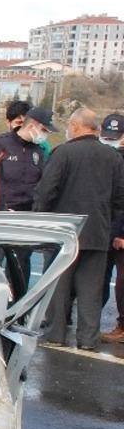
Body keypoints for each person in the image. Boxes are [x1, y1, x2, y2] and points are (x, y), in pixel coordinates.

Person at [33, 108, 124, 350]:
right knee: (91, 291)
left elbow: (46, 191)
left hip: (64, 232)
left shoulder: (63, 153)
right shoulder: (113, 157)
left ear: (74, 126)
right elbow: (119, 199)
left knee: (59, 288)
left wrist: (41, 221)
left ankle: (55, 334)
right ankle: (88, 339)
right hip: (98, 232)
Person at [0, 106, 55, 211]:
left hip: (28, 213)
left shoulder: (39, 150)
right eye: (43, 130)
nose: (45, 135)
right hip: (1, 210)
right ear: (31, 126)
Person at [99, 113, 124, 343]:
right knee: (100, 279)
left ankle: (122, 325)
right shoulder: (104, 157)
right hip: (104, 229)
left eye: (114, 136)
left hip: (119, 231)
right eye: (106, 136)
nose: (110, 140)